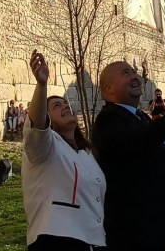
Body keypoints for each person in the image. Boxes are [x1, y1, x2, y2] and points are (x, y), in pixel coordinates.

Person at [92, 61, 165, 250]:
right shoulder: (109, 119)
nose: (134, 76)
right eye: (125, 73)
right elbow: (140, 138)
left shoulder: (138, 116)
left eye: (134, 71)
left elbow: (151, 137)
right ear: (108, 89)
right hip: (134, 231)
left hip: (154, 225)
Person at [21, 50, 106, 251]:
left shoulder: (86, 153)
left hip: (93, 241)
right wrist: (42, 85)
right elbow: (37, 123)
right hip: (55, 240)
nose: (65, 107)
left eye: (65, 103)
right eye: (56, 106)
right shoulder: (43, 147)